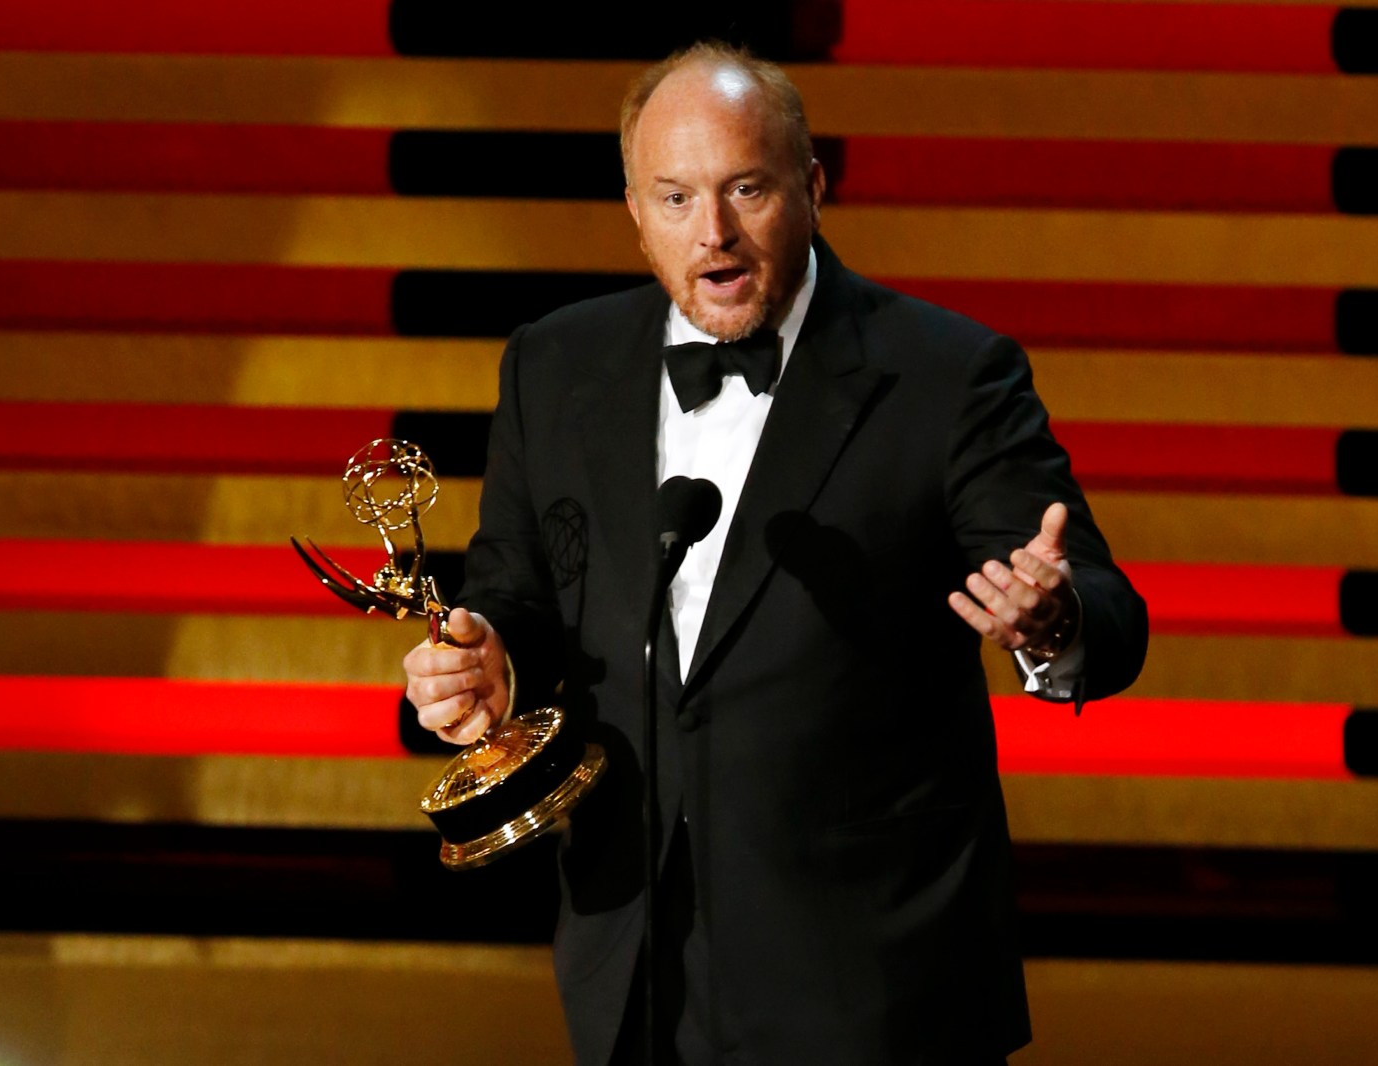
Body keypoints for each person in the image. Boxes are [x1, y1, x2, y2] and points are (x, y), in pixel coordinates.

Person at [404, 41, 1147, 1066]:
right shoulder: (553, 364)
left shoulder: (945, 375)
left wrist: (1051, 619)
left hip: (870, 985)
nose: (712, 232)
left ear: (812, 186)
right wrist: (487, 661)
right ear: (633, 209)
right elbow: (515, 593)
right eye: (674, 197)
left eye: (745, 189)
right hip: (633, 969)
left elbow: (1106, 610)